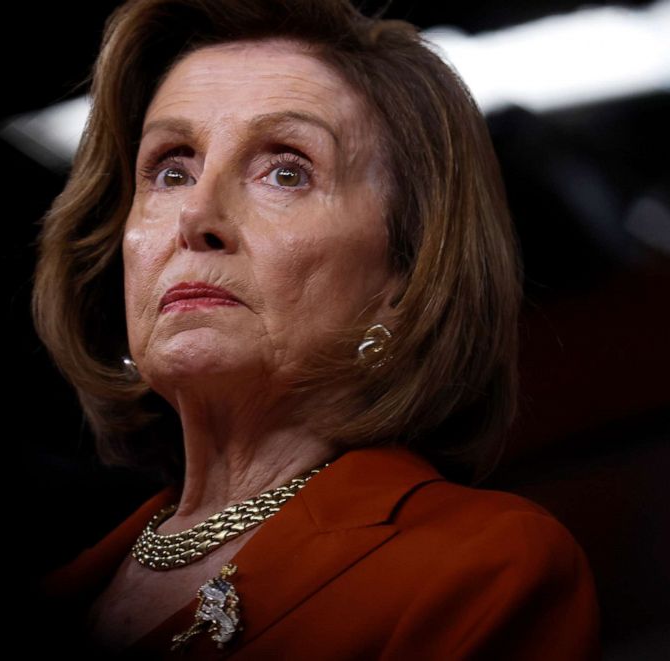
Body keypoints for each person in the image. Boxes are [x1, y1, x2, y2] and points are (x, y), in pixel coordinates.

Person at [31, 0, 601, 657]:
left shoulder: (481, 568)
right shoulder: (66, 586)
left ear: (405, 283)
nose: (195, 216)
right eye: (171, 170)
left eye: (286, 171)